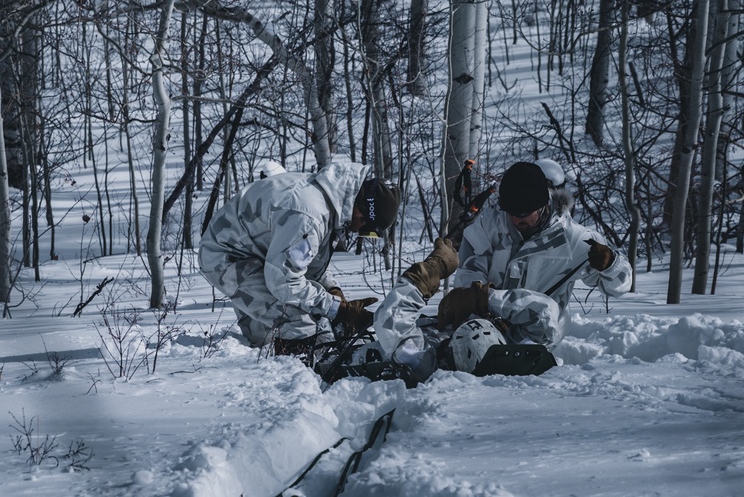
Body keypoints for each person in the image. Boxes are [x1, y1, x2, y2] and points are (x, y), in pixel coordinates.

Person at [371, 160, 631, 378]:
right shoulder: (490, 225)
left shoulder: (575, 239)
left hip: (535, 333)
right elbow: (470, 270)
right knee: (428, 342)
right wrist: (475, 296)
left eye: (524, 213)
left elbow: (621, 285)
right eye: (511, 212)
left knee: (540, 315)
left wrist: (610, 265)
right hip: (482, 325)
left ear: (542, 206)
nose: (517, 219)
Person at [198, 161, 399, 356]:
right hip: (226, 257)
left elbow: (306, 261)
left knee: (263, 339)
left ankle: (270, 360)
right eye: (367, 231)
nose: (358, 233)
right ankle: (296, 380)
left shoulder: (327, 201)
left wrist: (332, 290)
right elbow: (284, 281)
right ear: (361, 212)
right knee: (297, 321)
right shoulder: (308, 216)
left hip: (256, 254)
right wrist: (337, 309)